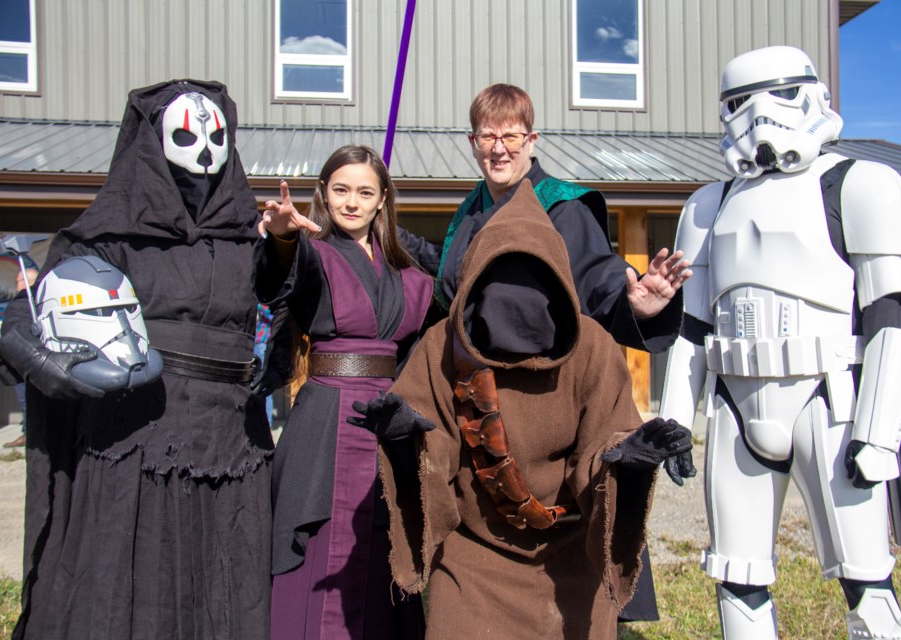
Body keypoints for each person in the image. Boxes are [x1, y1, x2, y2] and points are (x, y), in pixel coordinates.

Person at [397, 82, 694, 619]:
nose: (500, 148)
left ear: (533, 139)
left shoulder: (562, 205)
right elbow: (452, 283)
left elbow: (597, 273)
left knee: (562, 566)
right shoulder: (470, 211)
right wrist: (388, 236)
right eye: (488, 136)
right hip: (481, 406)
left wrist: (638, 303)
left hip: (549, 404)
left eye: (512, 135)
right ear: (471, 141)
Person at [350, 179, 692, 640]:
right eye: (500, 280)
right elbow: (431, 437)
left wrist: (631, 457)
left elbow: (603, 445)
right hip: (474, 560)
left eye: (532, 281)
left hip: (568, 557)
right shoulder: (444, 346)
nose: (516, 303)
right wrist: (404, 437)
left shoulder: (592, 348)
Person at [0, 79, 274, 639]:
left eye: (215, 136)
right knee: (132, 581)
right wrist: (41, 355)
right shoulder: (108, 235)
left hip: (231, 440)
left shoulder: (255, 241)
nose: (201, 154)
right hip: (134, 438)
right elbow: (36, 311)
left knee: (224, 582)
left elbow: (300, 308)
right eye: (186, 136)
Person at [659, 46, 901, 639]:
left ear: (812, 96)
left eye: (776, 96)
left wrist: (878, 434)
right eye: (739, 104)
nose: (757, 116)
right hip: (735, 406)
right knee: (738, 579)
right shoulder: (708, 204)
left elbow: (889, 320)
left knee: (866, 579)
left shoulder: (859, 185)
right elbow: (692, 328)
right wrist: (676, 419)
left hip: (828, 400)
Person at [254, 145, 432, 640]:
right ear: (324, 195)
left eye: (364, 192)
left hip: (388, 421)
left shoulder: (411, 274)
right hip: (326, 419)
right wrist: (283, 237)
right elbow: (276, 278)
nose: (351, 202)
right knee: (322, 547)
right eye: (340, 190)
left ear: (382, 201)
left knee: (382, 540)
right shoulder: (312, 252)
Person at [3, 267, 37, 449]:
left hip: (29, 361)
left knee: (27, 400)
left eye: (19, 280)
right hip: (24, 360)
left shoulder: (30, 303)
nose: (17, 284)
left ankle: (29, 435)